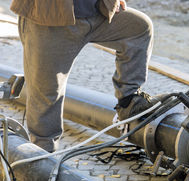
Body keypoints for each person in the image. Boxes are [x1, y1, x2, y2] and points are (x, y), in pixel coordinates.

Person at [10, 0, 155, 152]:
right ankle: (42, 160)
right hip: (50, 19)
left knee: (139, 28)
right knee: (46, 98)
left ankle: (128, 101)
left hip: (98, 12)